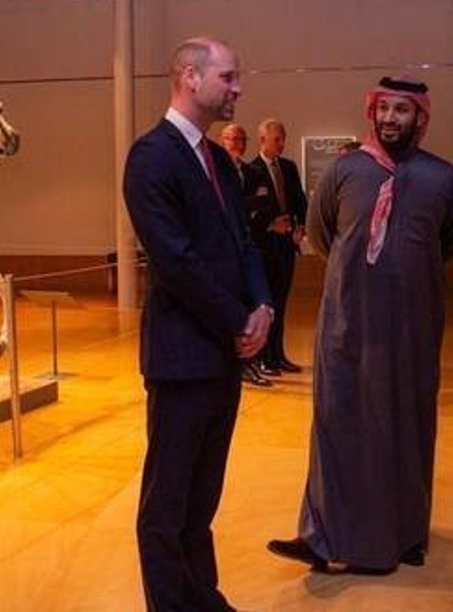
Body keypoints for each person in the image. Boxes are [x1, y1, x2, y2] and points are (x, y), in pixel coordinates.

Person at [268, 76, 453, 574]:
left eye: (403, 110)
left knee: (407, 423)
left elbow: (450, 243)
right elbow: (320, 235)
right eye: (384, 109)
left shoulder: (442, 178)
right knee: (338, 423)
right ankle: (321, 536)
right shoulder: (344, 169)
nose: (391, 119)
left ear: (419, 117)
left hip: (411, 330)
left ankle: (406, 536)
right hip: (347, 326)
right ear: (371, 112)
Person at [122, 37, 274, 611]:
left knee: (202, 500)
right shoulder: (151, 157)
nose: (237, 88)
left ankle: (203, 597)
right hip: (183, 358)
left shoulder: (217, 161)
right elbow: (175, 262)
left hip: (221, 356)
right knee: (166, 506)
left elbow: (243, 244)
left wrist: (263, 307)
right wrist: (239, 320)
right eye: (228, 77)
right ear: (189, 76)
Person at [243, 118, 308, 375]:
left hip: (286, 247)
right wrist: (270, 225)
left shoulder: (289, 168)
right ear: (263, 140)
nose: (281, 144)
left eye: (283, 139)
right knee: (265, 305)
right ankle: (263, 358)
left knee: (281, 303)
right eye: (276, 139)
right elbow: (247, 213)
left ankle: (278, 355)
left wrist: (300, 227)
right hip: (264, 248)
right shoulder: (252, 171)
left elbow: (300, 201)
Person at [219, 122, 273, 388]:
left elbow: (265, 201)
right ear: (222, 140)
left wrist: (245, 206)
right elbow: (232, 208)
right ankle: (239, 363)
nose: (237, 144)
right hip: (227, 254)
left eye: (241, 139)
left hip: (252, 245)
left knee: (258, 307)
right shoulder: (216, 171)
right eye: (232, 139)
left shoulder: (251, 171)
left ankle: (254, 362)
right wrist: (246, 206)